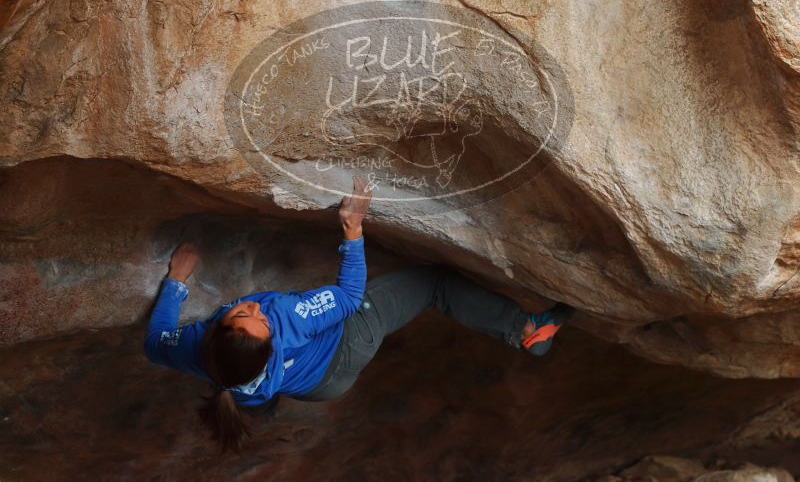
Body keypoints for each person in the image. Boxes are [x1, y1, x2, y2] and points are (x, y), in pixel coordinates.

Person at [144, 175, 575, 453]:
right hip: (349, 346)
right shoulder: (289, 318)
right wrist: (353, 228)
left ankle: (259, 404)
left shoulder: (192, 349)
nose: (255, 306)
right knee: (436, 284)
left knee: (255, 393)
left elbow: (154, 339)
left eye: (243, 312)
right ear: (272, 336)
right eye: (257, 319)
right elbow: (349, 297)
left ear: (212, 334)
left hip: (316, 389)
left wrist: (177, 282)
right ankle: (526, 331)